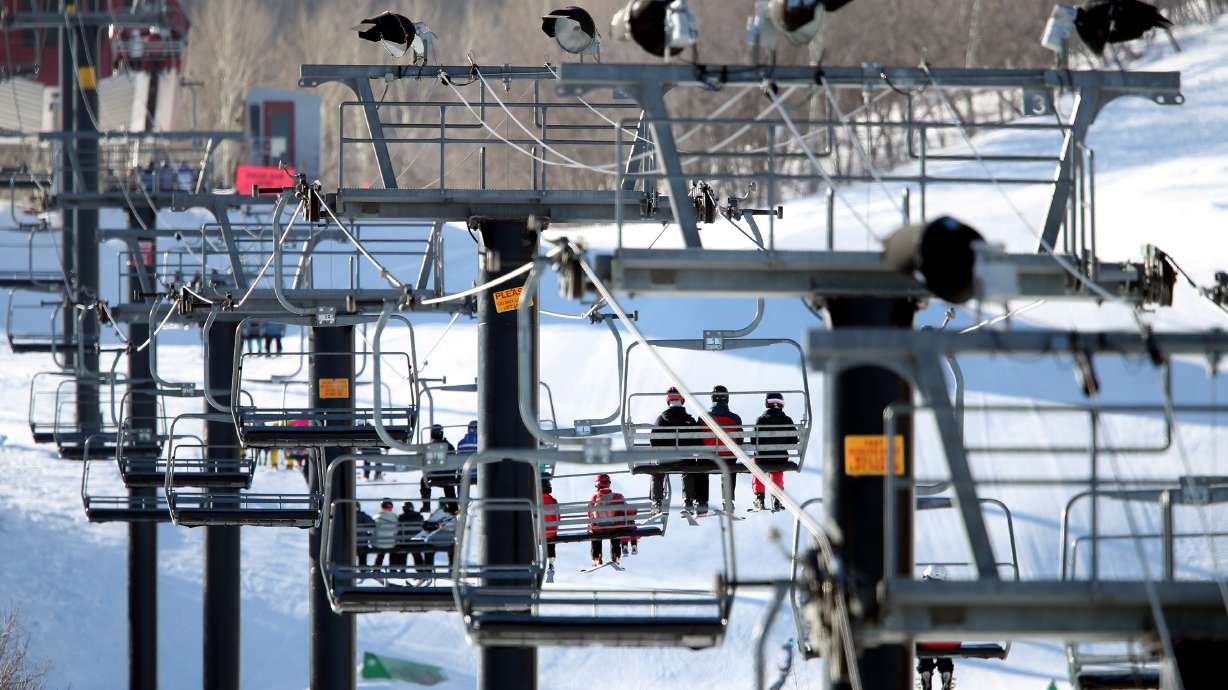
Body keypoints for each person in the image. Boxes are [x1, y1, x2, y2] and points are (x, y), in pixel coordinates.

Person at [649, 387, 702, 515]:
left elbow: (653, 441)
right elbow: (697, 441)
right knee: (689, 468)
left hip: (665, 461)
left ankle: (657, 501)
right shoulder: (689, 420)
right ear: (682, 400)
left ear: (668, 401)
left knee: (656, 470)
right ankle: (688, 501)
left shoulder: (660, 420)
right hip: (684, 460)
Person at [752, 392, 799, 512]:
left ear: (767, 403)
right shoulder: (787, 420)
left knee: (756, 464)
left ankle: (759, 498)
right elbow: (793, 441)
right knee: (777, 468)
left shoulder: (761, 419)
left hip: (763, 458)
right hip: (780, 458)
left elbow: (754, 441)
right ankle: (776, 498)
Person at [705, 384, 745, 513]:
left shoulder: (704, 417)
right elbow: (740, 439)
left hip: (708, 459)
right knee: (730, 466)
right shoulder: (735, 418)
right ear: (727, 399)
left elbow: (697, 439)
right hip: (728, 458)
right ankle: (728, 501)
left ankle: (700, 501)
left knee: (698, 465)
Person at [916, 565, 957, 690]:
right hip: (951, 644)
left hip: (926, 643)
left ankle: (925, 671)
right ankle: (946, 671)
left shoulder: (920, 598)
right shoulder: (954, 597)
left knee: (923, 640)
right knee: (944, 639)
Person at [587, 473, 627, 567]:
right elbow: (625, 510)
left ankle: (596, 557)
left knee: (595, 535)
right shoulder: (617, 496)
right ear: (608, 484)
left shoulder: (594, 498)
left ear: (597, 485)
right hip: (613, 527)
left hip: (598, 529)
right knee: (616, 534)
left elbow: (589, 514)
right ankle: (616, 556)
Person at [420, 424, 457, 514]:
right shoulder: (449, 446)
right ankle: (453, 507)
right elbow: (455, 461)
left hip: (434, 475)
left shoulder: (428, 447)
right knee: (449, 485)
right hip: (448, 475)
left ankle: (426, 505)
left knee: (423, 481)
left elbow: (424, 463)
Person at [393, 501, 422, 570]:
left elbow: (398, 530)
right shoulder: (418, 516)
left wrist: (397, 539)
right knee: (417, 555)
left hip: (405, 541)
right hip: (416, 541)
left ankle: (402, 569)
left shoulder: (401, 517)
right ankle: (420, 571)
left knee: (402, 553)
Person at [372, 499, 399, 569]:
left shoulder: (376, 517)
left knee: (381, 553)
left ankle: (376, 569)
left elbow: (372, 531)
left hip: (378, 544)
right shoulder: (395, 517)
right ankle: (393, 568)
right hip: (391, 543)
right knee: (393, 547)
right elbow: (397, 531)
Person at [542, 478, 559, 578]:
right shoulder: (553, 501)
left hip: (538, 534)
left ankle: (532, 561)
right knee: (550, 541)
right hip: (550, 533)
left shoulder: (535, 500)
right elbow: (558, 518)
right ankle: (550, 565)